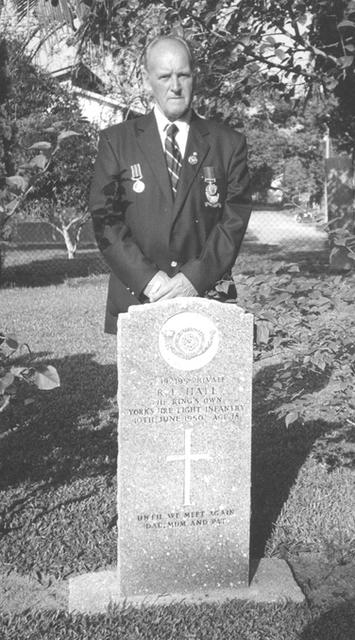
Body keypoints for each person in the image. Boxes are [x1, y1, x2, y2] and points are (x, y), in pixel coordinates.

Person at [89, 35, 252, 334]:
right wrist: (150, 281)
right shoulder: (116, 142)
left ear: (195, 76)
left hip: (207, 294)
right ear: (147, 78)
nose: (174, 86)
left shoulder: (228, 144)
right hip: (139, 296)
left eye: (183, 75)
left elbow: (234, 221)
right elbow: (105, 220)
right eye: (164, 76)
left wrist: (194, 278)